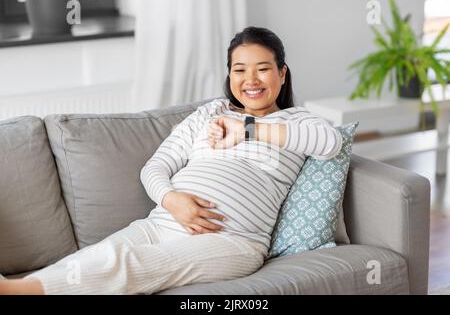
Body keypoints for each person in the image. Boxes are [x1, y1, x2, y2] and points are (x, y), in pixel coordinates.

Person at [0, 26, 342, 295]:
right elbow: (155, 167)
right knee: (87, 260)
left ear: (282, 73)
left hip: (232, 241)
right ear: (229, 75)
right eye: (240, 70)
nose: (250, 80)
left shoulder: (298, 121)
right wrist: (171, 199)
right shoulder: (211, 112)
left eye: (263, 69)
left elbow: (329, 143)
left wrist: (249, 130)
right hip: (160, 223)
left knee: (127, 264)